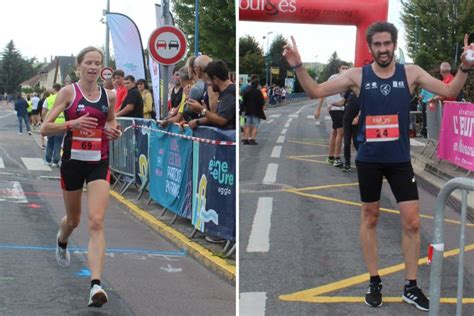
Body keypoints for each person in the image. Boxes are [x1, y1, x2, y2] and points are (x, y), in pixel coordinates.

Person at [283, 22, 474, 312]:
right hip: (370, 160)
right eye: (377, 45)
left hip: (399, 161)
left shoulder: (411, 73)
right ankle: (374, 281)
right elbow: (315, 91)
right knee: (370, 217)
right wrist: (298, 66)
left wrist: (464, 68)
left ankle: (411, 286)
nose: (383, 49)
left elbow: (449, 92)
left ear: (394, 45)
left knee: (412, 222)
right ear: (370, 47)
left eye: (387, 44)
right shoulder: (357, 75)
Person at [41, 46, 121, 308]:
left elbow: (111, 122)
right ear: (79, 66)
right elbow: (45, 128)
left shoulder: (109, 95)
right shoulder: (68, 92)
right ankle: (62, 240)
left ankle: (95, 285)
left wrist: (113, 131)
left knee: (96, 221)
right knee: (74, 220)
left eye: (98, 63)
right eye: (88, 62)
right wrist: (71, 124)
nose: (93, 67)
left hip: (98, 161)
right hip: (72, 163)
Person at [314, 62, 350, 167]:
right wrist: (318, 109)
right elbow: (323, 91)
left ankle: (330, 157)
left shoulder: (348, 79)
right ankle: (337, 158)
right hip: (334, 108)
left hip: (343, 107)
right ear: (339, 69)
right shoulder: (334, 78)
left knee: (334, 132)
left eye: (347, 68)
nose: (345, 70)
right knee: (341, 132)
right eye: (343, 68)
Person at [187, 60, 236, 131]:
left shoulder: (229, 93)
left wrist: (202, 110)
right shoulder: (224, 92)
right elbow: (216, 116)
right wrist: (197, 121)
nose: (207, 83)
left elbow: (221, 120)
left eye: (208, 79)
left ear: (215, 79)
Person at [42, 84, 65, 167]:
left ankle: (48, 160)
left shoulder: (48, 99)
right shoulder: (64, 99)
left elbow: (44, 111)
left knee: (50, 142)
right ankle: (55, 161)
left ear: (54, 89)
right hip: (61, 125)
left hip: (50, 124)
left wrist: (45, 121)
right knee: (58, 143)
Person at [241, 78, 266, 144]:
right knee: (255, 126)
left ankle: (245, 139)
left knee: (247, 125)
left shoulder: (247, 91)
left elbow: (244, 102)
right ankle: (252, 139)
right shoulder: (258, 92)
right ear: (257, 85)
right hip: (256, 112)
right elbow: (262, 102)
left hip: (248, 111)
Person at [341, 89, 360, 172]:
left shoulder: (361, 89)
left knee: (357, 142)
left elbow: (364, 106)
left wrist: (357, 117)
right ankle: (347, 164)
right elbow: (343, 102)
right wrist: (332, 104)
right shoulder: (348, 90)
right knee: (346, 142)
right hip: (347, 119)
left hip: (356, 120)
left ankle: (362, 161)